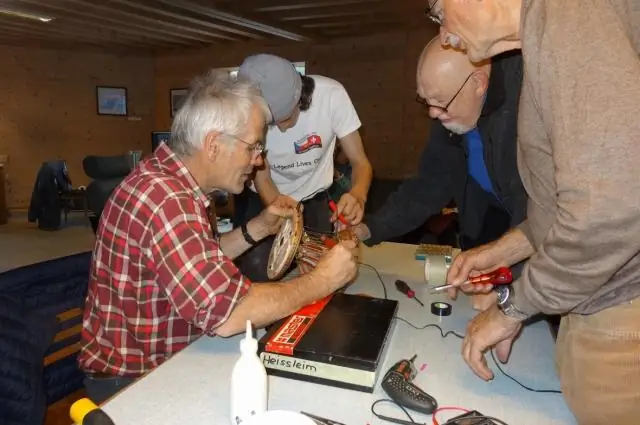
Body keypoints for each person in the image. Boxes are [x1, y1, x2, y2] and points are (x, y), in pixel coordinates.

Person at [77, 71, 359, 404]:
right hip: (134, 383)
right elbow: (228, 314)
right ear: (213, 145)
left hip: (158, 362)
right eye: (254, 147)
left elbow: (198, 261)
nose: (259, 160)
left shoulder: (167, 179)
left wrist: (257, 228)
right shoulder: (168, 201)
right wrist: (322, 280)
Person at [426, 1, 640, 423]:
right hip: (591, 300)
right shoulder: (544, 38)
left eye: (437, 9)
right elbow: (562, 208)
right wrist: (503, 252)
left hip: (622, 303)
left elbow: (608, 211)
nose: (440, 30)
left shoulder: (572, 15)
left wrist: (513, 307)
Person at [353, 37, 527, 309]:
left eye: (441, 103)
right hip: (484, 229)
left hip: (534, 237)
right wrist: (369, 228)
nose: (433, 114)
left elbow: (546, 217)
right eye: (426, 102)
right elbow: (430, 185)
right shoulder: (451, 112)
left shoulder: (526, 106)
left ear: (479, 83)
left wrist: (513, 295)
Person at [232, 53, 373, 281]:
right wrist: (294, 240)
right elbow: (264, 179)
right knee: (259, 271)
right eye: (271, 123)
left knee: (328, 270)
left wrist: (357, 194)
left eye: (285, 118)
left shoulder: (332, 96)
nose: (282, 129)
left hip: (314, 198)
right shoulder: (248, 117)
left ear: (301, 97)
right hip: (268, 202)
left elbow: (360, 162)